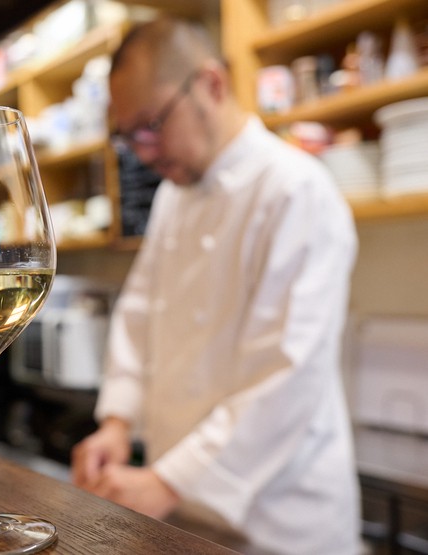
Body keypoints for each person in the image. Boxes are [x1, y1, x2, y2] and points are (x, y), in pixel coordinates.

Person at [70, 17, 361, 555]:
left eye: (152, 124)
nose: (144, 152)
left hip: (281, 521)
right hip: (180, 509)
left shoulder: (296, 191)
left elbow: (286, 373)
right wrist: (117, 423)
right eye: (130, 136)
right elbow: (140, 313)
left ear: (211, 84)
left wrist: (167, 482)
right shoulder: (173, 197)